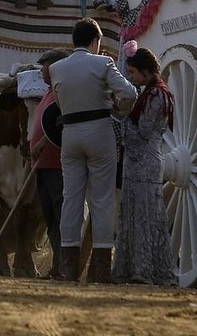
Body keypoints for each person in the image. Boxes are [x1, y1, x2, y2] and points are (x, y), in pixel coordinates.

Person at [49, 17, 137, 283]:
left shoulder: (56, 68)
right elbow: (130, 93)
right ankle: (100, 268)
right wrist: (118, 109)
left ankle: (69, 268)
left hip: (70, 134)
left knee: (71, 199)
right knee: (101, 199)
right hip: (99, 130)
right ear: (94, 41)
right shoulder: (103, 63)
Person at [113, 46, 177, 285]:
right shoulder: (151, 93)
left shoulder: (156, 95)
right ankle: (140, 270)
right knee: (141, 216)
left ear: (145, 71)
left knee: (145, 218)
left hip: (145, 163)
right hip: (141, 163)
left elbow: (143, 132)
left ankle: (146, 270)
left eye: (132, 72)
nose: (131, 77)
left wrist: (120, 118)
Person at [29, 48, 68, 278]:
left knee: (61, 213)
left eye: (44, 65)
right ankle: (57, 266)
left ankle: (64, 266)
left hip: (56, 164)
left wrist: (43, 140)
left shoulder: (62, 91)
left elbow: (62, 120)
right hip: (42, 165)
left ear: (54, 67)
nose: (41, 69)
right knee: (50, 217)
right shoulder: (47, 92)